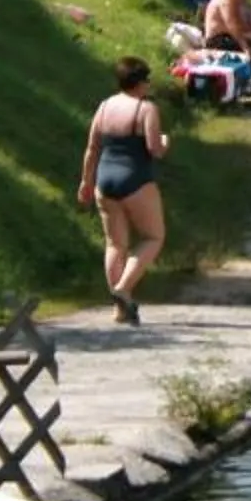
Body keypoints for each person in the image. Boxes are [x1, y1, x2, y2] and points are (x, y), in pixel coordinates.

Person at [77, 55, 170, 325]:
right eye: (147, 80)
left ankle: (119, 309)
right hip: (136, 179)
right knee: (153, 237)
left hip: (105, 180)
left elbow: (92, 147)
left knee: (115, 244)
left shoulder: (105, 106)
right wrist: (165, 141)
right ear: (140, 82)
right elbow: (154, 149)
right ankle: (123, 289)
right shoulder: (145, 109)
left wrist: (86, 181)